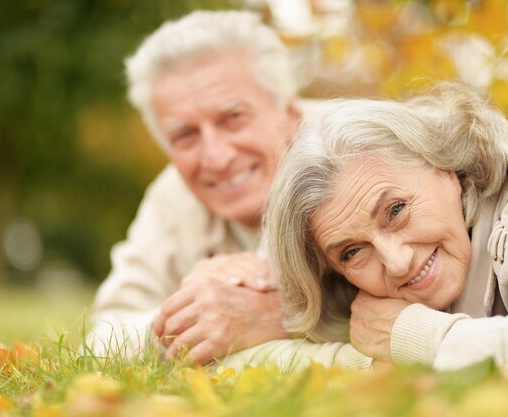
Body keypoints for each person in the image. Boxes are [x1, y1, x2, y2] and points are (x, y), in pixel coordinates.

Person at [87, 10, 371, 370]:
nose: (216, 158)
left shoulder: (362, 157)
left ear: (289, 113)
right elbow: (102, 338)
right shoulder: (173, 195)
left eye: (234, 118)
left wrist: (284, 311)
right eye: (184, 136)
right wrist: (199, 310)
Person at [265, 82, 508, 375]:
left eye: (396, 210)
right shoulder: (357, 300)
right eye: (352, 252)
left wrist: (414, 336)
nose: (397, 263)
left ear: (443, 167)